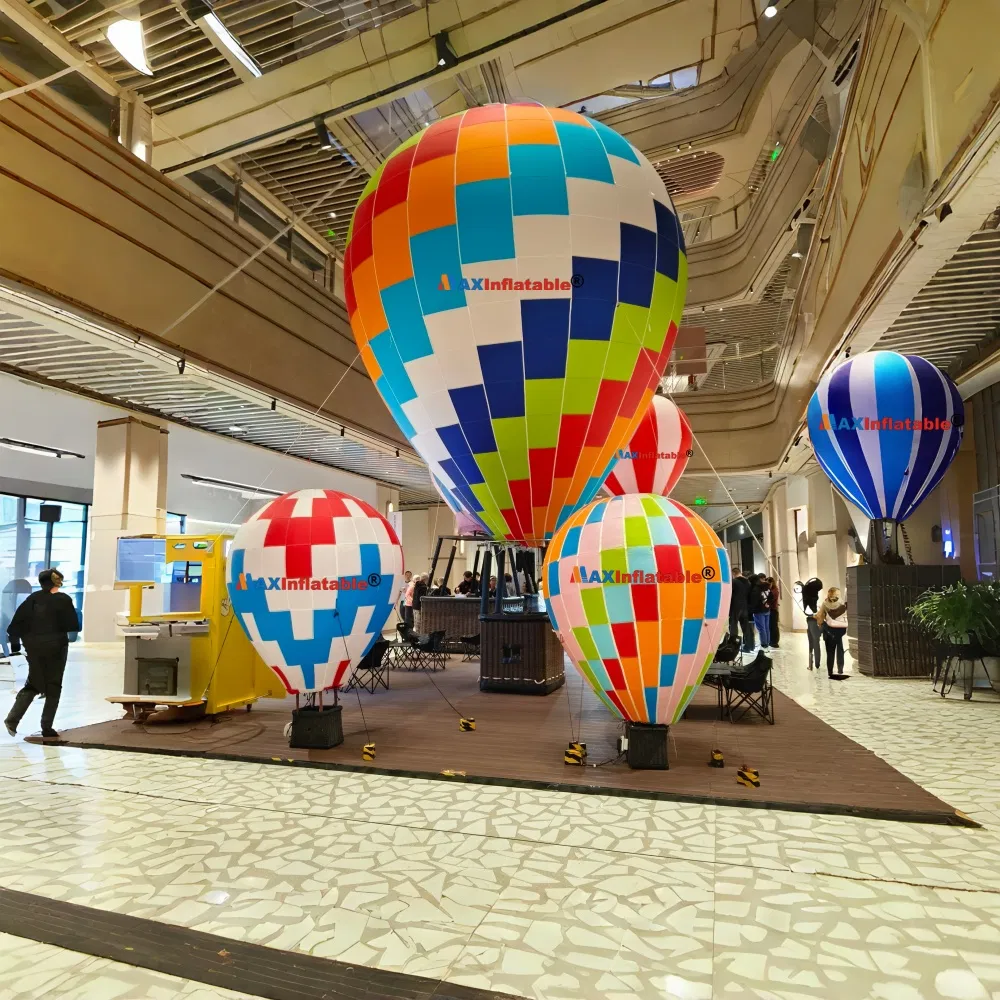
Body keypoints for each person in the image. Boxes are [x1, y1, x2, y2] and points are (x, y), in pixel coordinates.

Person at [4, 568, 80, 740]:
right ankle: (47, 727)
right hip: (56, 647)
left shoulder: (32, 599)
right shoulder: (64, 600)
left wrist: (17, 646)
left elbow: (15, 626)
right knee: (54, 685)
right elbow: (73, 626)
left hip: (34, 647)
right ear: (56, 581)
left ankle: (12, 720)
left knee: (34, 683)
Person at [816, 586, 849, 678]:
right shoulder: (842, 603)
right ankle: (840, 669)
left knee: (830, 652)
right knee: (840, 649)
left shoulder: (825, 604)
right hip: (840, 629)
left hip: (830, 631)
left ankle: (830, 672)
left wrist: (819, 620)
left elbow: (820, 617)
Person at [728, 568, 753, 653]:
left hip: (735, 606)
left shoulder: (734, 582)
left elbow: (730, 594)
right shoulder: (748, 582)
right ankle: (748, 646)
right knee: (746, 627)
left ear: (734, 573)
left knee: (733, 626)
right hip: (745, 606)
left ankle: (733, 646)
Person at [801, 578, 823, 671]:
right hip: (812, 619)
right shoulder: (811, 595)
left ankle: (815, 663)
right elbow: (810, 611)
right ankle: (815, 663)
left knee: (813, 641)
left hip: (812, 620)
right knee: (814, 641)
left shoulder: (808, 593)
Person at [748, 574, 771, 651]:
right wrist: (768, 603)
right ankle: (767, 644)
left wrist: (751, 609)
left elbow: (754, 601)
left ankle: (764, 645)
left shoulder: (756, 589)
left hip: (759, 610)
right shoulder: (767, 586)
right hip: (767, 609)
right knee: (766, 628)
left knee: (761, 629)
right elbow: (772, 597)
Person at [766, 577, 780, 649]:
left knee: (773, 627)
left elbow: (770, 601)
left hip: (773, 610)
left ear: (771, 583)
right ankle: (772, 641)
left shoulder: (774, 591)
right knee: (772, 627)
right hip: (772, 610)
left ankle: (774, 642)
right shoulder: (773, 590)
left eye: (768, 583)